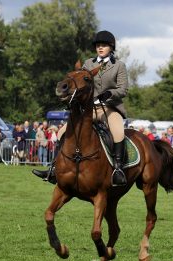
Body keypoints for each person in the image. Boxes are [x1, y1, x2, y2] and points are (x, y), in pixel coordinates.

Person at [33, 30, 129, 186]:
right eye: (98, 45)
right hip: (89, 109)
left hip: (109, 107)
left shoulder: (119, 66)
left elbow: (123, 89)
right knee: (62, 132)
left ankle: (118, 170)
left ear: (111, 47)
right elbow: (80, 84)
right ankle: (53, 168)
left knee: (118, 132)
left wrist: (109, 93)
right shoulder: (88, 64)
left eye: (104, 45)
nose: (100, 48)